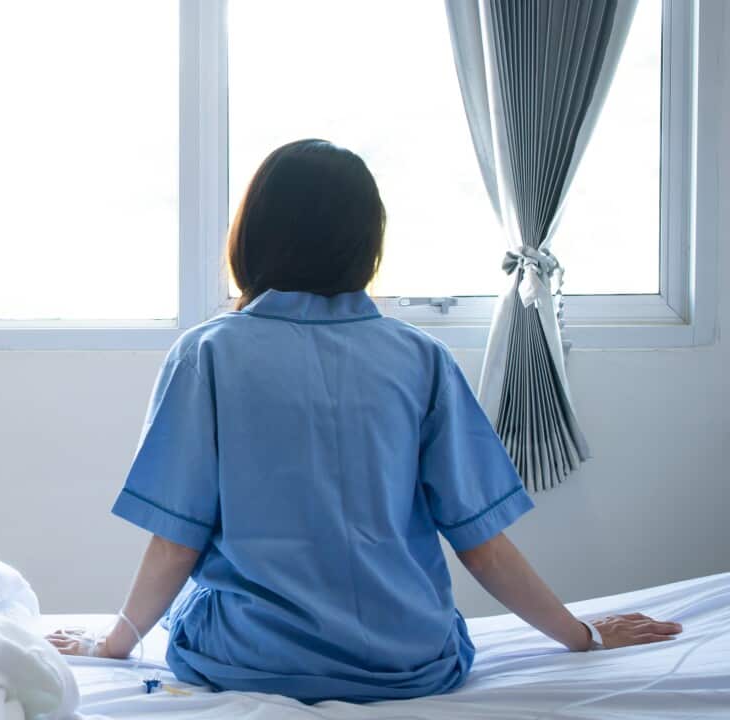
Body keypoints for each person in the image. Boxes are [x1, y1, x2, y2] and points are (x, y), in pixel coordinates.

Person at [46, 139, 682, 703]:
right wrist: (583, 635)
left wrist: (114, 646)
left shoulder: (209, 353)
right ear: (365, 244)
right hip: (410, 662)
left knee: (205, 602)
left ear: (254, 236)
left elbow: (175, 541)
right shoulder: (421, 358)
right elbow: (482, 547)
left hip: (248, 659)